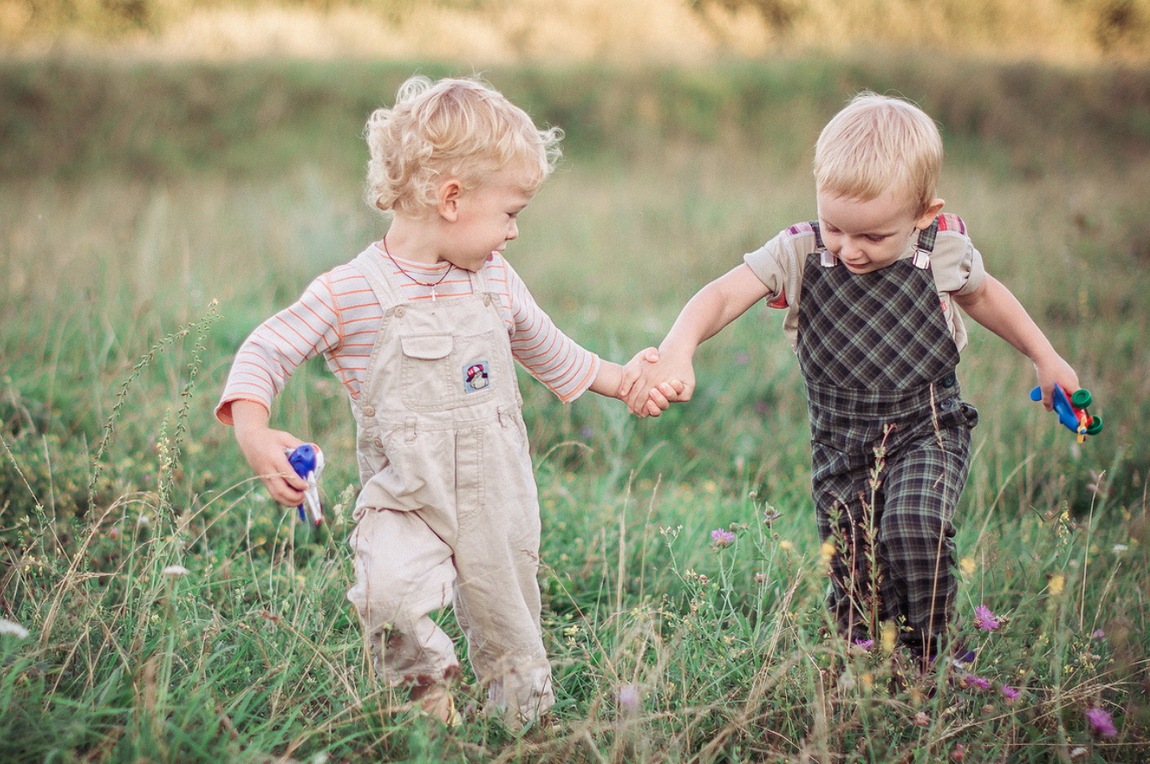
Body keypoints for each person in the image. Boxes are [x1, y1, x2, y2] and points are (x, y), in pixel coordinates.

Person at [216, 75, 674, 726]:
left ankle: (524, 727)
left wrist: (624, 379)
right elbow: (267, 349)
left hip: (498, 493)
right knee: (384, 594)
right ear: (453, 198)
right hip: (403, 493)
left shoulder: (496, 280)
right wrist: (253, 430)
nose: (514, 233)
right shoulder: (353, 291)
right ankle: (425, 690)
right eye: (510, 213)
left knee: (510, 620)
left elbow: (553, 351)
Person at [624, 92, 1080, 661]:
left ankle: (931, 659)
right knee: (854, 569)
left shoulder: (940, 251)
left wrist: (1045, 355)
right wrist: (676, 348)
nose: (850, 250)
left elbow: (985, 297)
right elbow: (721, 295)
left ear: (923, 215)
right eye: (836, 226)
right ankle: (867, 668)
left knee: (915, 526)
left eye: (873, 237)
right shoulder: (801, 251)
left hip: (926, 428)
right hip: (841, 445)